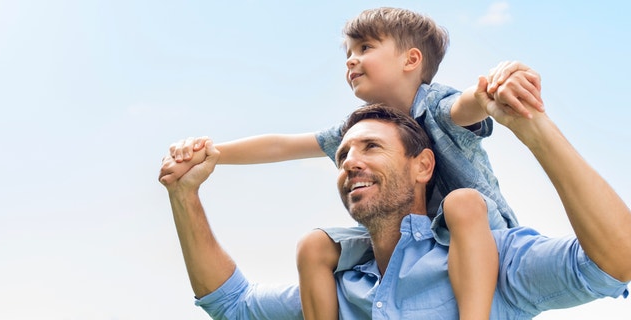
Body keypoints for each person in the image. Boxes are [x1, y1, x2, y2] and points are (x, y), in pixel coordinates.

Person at [163, 8, 543, 319]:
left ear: (412, 59)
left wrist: (491, 89)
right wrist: (212, 153)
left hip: (472, 231)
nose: (351, 60)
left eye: (364, 47)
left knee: (461, 202)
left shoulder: (438, 105)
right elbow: (282, 146)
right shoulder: (359, 131)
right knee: (315, 246)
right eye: (348, 53)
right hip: (405, 240)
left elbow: (467, 107)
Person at [159, 85, 630, 319]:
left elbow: (615, 261)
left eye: (371, 148)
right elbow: (233, 305)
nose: (350, 163)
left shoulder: (488, 263)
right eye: (342, 155)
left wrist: (534, 128)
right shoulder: (337, 290)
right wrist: (185, 195)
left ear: (424, 166)